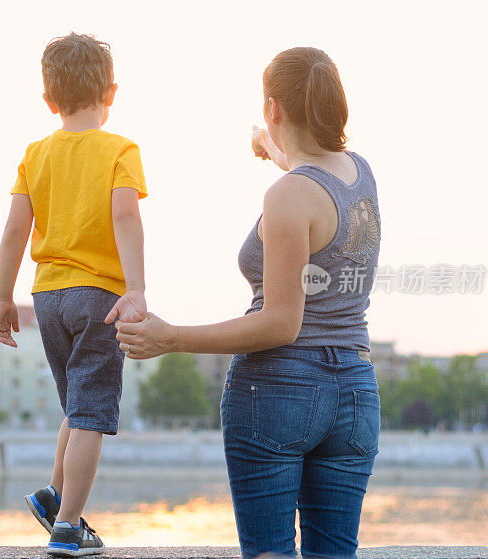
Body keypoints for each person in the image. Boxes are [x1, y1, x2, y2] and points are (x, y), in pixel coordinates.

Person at [115, 47, 381, 558]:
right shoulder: (360, 174)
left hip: (279, 389)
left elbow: (281, 323)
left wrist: (171, 338)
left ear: (273, 107)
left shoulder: (287, 197)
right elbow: (309, 170)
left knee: (269, 553)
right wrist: (270, 147)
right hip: (354, 393)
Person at [0, 32, 148, 556]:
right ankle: (69, 524)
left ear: (49, 99)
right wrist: (138, 290)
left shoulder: (36, 154)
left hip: (47, 299)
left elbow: (14, 231)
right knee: (92, 415)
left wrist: (1, 298)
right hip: (97, 295)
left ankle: (55, 495)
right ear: (111, 91)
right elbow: (125, 215)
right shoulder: (119, 150)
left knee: (78, 406)